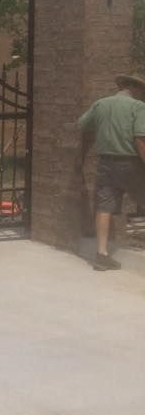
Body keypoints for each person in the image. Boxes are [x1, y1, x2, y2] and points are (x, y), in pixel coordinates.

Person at [76, 72, 145, 270]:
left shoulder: (101, 104)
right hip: (132, 163)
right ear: (135, 88)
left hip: (105, 163)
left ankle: (102, 254)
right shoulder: (138, 107)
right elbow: (140, 139)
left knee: (104, 207)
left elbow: (82, 125)